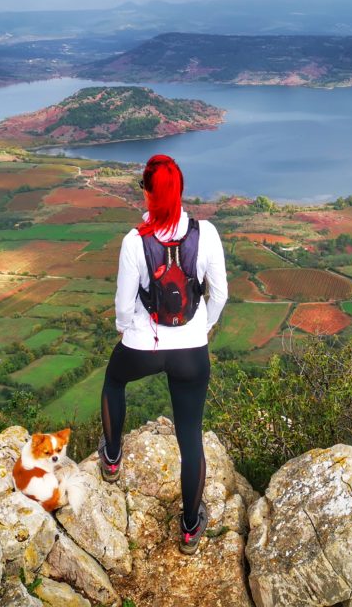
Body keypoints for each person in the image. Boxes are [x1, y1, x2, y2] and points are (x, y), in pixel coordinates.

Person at [97, 154, 228, 555]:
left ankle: (113, 457)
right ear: (181, 191)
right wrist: (202, 328)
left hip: (144, 346)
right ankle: (190, 527)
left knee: (115, 380)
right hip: (191, 350)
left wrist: (130, 329)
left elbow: (122, 306)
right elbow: (219, 294)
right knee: (190, 434)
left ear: (149, 194)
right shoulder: (206, 234)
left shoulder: (134, 242)